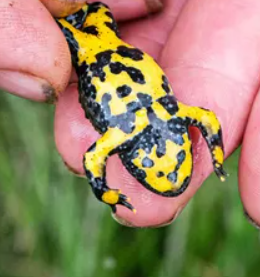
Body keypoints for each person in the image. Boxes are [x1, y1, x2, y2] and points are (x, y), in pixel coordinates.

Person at [0, 0, 259, 228]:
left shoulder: (141, 126)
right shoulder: (163, 115)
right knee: (65, 24)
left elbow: (93, 159)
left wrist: (105, 193)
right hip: (88, 48)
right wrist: (215, 153)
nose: (172, 180)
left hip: (102, 44)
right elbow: (207, 118)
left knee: (91, 12)